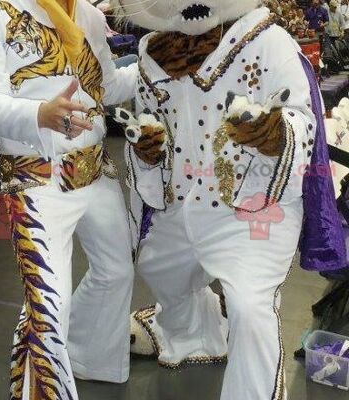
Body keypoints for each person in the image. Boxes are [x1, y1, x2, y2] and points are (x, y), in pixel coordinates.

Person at [111, 0, 346, 399]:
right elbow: (154, 123)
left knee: (251, 310)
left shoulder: (267, 41)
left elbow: (303, 115)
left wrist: (274, 134)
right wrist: (149, 147)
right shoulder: (154, 54)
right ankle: (192, 332)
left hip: (253, 200)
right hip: (181, 197)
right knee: (159, 269)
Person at [0, 0, 137, 398]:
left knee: (117, 273)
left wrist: (154, 66)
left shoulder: (88, 15)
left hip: (95, 170)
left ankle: (89, 355)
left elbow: (103, 85)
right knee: (47, 307)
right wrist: (39, 113)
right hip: (35, 176)